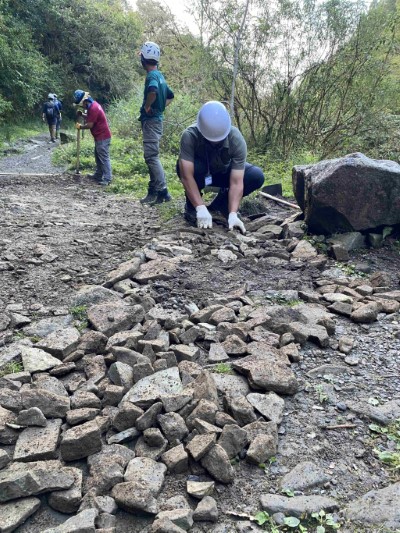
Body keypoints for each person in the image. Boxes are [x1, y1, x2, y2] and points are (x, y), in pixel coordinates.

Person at [177, 101, 265, 234]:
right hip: (200, 174)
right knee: (185, 167)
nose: (215, 142)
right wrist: (200, 207)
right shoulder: (189, 136)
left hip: (223, 173)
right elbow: (186, 176)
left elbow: (236, 182)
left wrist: (233, 213)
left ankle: (222, 205)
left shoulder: (236, 139)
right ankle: (192, 206)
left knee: (256, 175)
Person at [139, 41, 174, 204]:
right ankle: (152, 192)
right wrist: (160, 108)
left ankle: (163, 192)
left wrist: (148, 106)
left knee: (152, 156)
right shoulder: (160, 75)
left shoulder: (152, 76)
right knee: (150, 156)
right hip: (156, 120)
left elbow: (153, 91)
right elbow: (170, 96)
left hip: (152, 121)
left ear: (144, 59)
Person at [73, 90, 112, 186]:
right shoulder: (93, 106)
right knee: (98, 156)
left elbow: (90, 124)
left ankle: (107, 178)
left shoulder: (93, 108)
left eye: (82, 104)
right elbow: (91, 117)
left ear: (85, 101)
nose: (82, 106)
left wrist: (81, 127)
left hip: (102, 136)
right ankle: (98, 174)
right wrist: (82, 115)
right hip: (100, 136)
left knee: (103, 157)